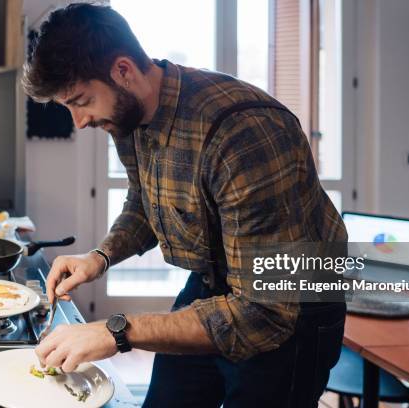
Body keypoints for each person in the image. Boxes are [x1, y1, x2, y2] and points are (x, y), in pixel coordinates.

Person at [23, 3, 347, 407]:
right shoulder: (129, 114)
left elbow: (262, 312)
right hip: (216, 285)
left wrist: (115, 331)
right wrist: (99, 257)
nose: (79, 121)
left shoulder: (243, 133)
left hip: (289, 309)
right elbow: (144, 202)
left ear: (123, 71)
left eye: (82, 100)